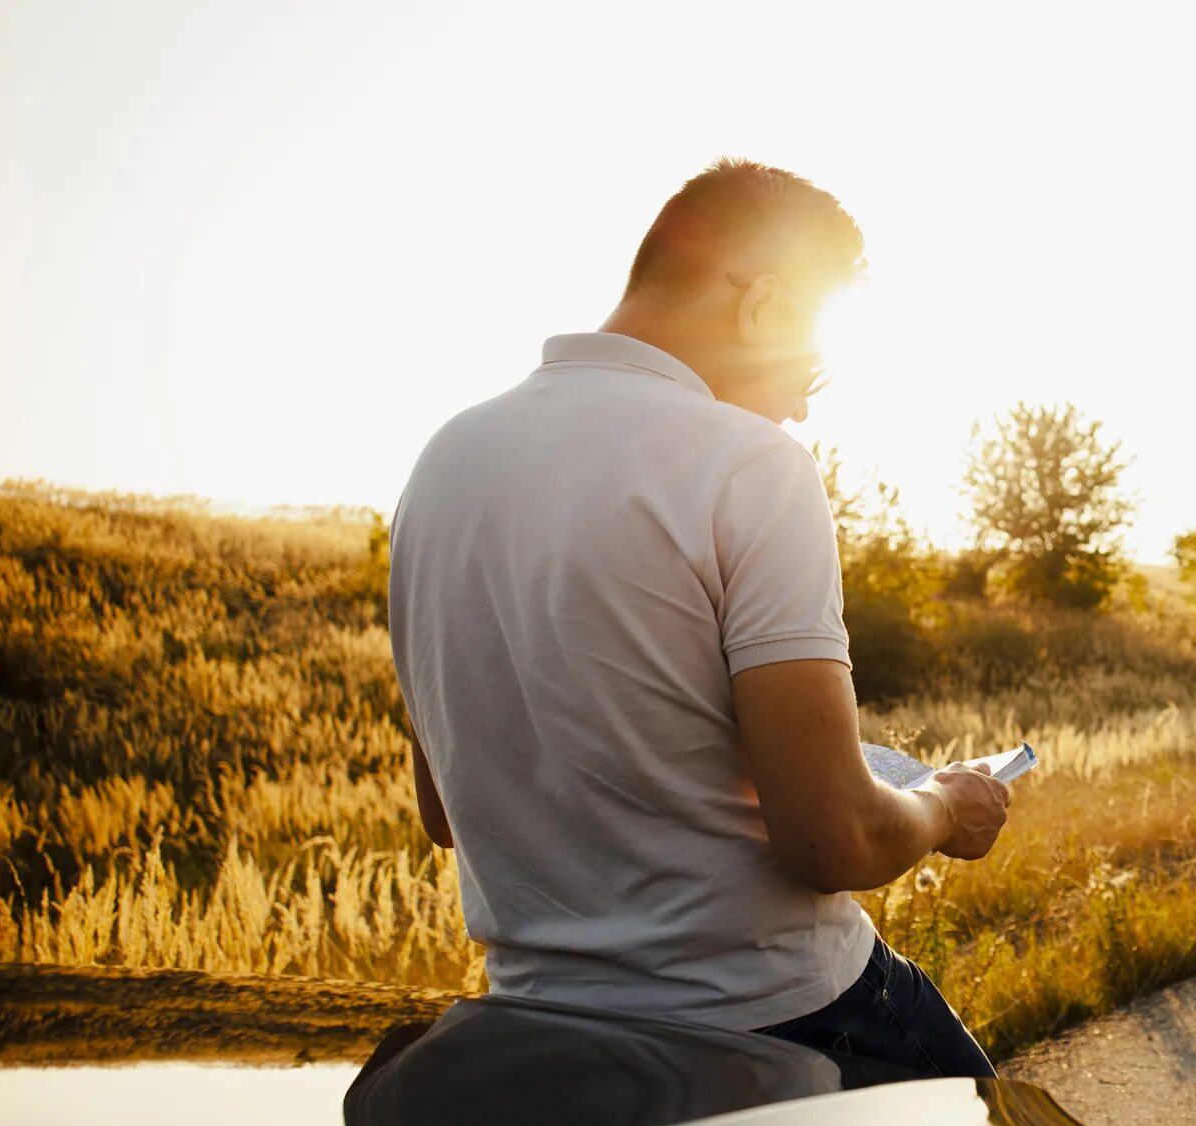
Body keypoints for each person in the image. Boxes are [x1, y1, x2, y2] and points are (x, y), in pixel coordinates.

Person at [387, 158, 1008, 1079]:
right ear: (760, 306)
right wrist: (944, 805)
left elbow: (444, 811)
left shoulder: (441, 462)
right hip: (783, 1015)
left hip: (533, 1031)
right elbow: (832, 838)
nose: (801, 405)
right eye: (815, 367)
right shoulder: (751, 466)